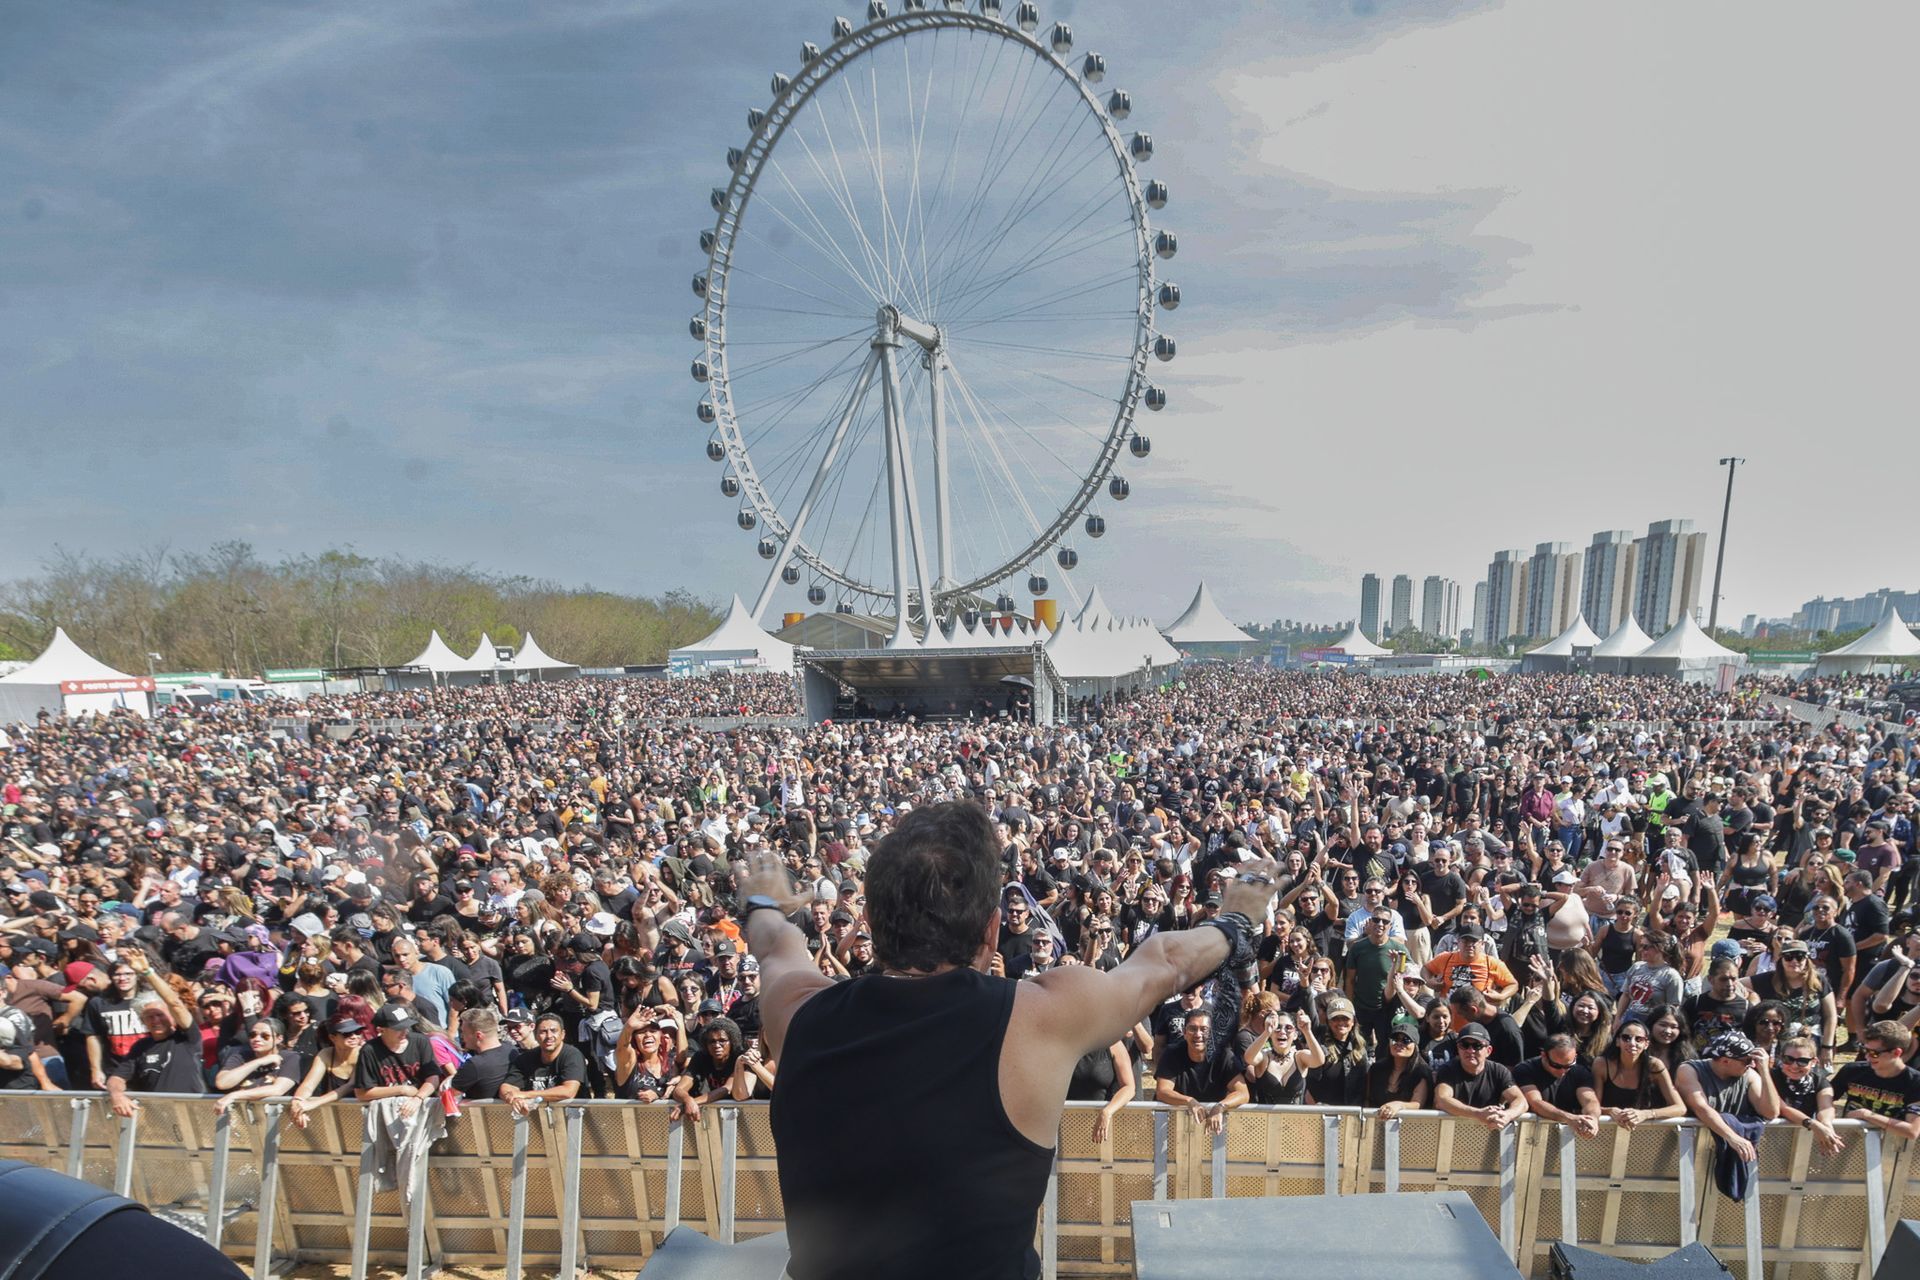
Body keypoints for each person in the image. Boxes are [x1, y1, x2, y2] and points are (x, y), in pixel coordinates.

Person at [735, 801, 1282, 1280]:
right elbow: (1163, 962)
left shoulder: (798, 1013)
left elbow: (775, 945)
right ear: (994, 929)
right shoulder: (1038, 1017)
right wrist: (1238, 918)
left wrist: (763, 899)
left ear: (873, 921)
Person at [103, 949, 202, 1116]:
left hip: (194, 1114)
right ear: (143, 1021)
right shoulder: (141, 1047)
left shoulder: (186, 1037)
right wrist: (117, 1095)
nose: (156, 1020)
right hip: (158, 1118)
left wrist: (147, 972)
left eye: (160, 1014)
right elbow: (116, 1078)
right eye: (149, 1016)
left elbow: (174, 1003)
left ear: (171, 1015)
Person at [1675, 1031, 1782, 1166]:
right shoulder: (1689, 1070)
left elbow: (1771, 1112)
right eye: (1748, 1060)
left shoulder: (1749, 1075)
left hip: (1729, 1155)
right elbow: (1701, 1108)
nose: (1752, 1065)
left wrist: (1765, 1071)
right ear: (1725, 1060)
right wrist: (1733, 1138)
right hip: (1690, 1152)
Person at [1830, 1021, 1920, 1141]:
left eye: (1874, 1053)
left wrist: (1866, 1115)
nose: (1867, 1057)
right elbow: (1824, 1101)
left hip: (1892, 1150)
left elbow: (1912, 1131)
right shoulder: (1852, 1070)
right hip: (1849, 1142)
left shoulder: (1915, 1082)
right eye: (1864, 1050)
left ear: (1896, 1053)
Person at [351, 1003, 446, 1115]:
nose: (404, 1032)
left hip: (424, 1107)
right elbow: (362, 1093)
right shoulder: (369, 1050)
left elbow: (433, 1078)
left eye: (406, 1027)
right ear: (381, 1030)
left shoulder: (420, 1041)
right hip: (389, 1112)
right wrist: (402, 1090)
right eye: (398, 1029)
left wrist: (418, 1098)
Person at [1590, 1018, 1685, 1129]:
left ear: (1646, 1044)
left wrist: (1646, 1114)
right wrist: (1610, 1111)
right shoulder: (1601, 1064)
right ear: (1617, 1041)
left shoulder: (1654, 1065)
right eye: (1626, 1038)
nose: (1632, 1043)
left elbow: (1680, 1108)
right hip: (1608, 1129)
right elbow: (1592, 1105)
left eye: (1639, 1039)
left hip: (1647, 1131)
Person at [1431, 1023, 1526, 1131]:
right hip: (1450, 1132)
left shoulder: (1498, 1071)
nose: (1470, 1051)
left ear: (1488, 1051)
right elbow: (1441, 1100)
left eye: (1477, 1046)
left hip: (1487, 1133)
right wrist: (1478, 1114)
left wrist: (1507, 1115)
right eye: (1465, 1045)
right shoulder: (1448, 1070)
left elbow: (1521, 1101)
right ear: (1458, 1048)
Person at [498, 1011, 588, 1116]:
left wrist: (525, 1095)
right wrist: (514, 1099)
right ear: (536, 1035)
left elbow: (568, 1091)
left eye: (553, 1031)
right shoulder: (525, 1058)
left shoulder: (572, 1055)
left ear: (563, 1034)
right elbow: (506, 1087)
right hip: (538, 1120)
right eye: (543, 1032)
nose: (549, 1036)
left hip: (574, 1119)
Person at [1769, 1033, 1846, 1156]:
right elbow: (1783, 1108)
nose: (1794, 1066)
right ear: (1781, 1058)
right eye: (1788, 1059)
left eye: (1802, 1061)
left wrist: (1826, 1125)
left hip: (1803, 1141)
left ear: (1814, 1061)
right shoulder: (1770, 1077)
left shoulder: (1819, 1081)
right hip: (1769, 1139)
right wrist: (1813, 1124)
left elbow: (1826, 1107)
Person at [288, 1014, 368, 1129]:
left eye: (357, 1032)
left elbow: (350, 1085)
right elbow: (309, 1085)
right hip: (337, 1117)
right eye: (347, 1034)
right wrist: (298, 1102)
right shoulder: (326, 1054)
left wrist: (312, 1104)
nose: (354, 1037)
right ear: (332, 1038)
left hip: (362, 1115)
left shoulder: (364, 1053)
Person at [1513, 1034, 1600, 1136]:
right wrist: (1569, 1118)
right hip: (1529, 1135)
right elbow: (1536, 1103)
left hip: (1565, 1135)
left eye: (1568, 1065)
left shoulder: (1580, 1072)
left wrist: (1592, 1119)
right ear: (1544, 1055)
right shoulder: (1525, 1070)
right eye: (1556, 1065)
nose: (1563, 1071)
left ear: (1575, 1057)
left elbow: (1590, 1100)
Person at [212, 1016, 302, 1113]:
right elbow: (222, 1083)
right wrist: (258, 1062)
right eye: (252, 1035)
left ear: (279, 1039)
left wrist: (234, 1095)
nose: (256, 1039)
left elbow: (278, 1089)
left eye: (265, 1036)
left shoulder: (290, 1057)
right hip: (243, 1120)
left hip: (276, 1119)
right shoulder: (240, 1056)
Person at [1363, 1014, 1434, 1118]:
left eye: (1406, 1040)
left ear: (1415, 1046)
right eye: (1395, 1039)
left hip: (1409, 1127)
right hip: (1376, 1123)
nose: (1399, 1043)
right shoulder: (1376, 1069)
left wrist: (1399, 1105)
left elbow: (1417, 1104)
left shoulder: (1421, 1071)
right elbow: (1367, 1099)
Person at [448, 1007, 512, 1102]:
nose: (462, 1036)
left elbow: (450, 1095)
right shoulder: (511, 1050)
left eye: (464, 1032)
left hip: (478, 1114)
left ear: (478, 1035)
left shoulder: (474, 1065)